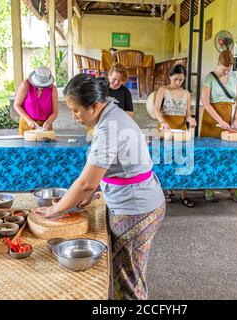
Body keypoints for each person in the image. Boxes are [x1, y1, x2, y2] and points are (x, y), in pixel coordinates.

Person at [35, 74, 166, 300]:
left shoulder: (108, 129)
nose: (75, 116)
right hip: (140, 201)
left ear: (94, 106)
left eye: (76, 110)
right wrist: (96, 191)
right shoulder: (112, 113)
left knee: (129, 282)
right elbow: (119, 167)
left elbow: (86, 182)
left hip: (135, 208)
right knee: (130, 274)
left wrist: (55, 210)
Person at [200, 50, 237, 203]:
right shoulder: (209, 77)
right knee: (210, 155)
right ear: (219, 63)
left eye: (229, 68)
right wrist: (220, 120)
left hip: (229, 116)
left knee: (230, 154)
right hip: (212, 119)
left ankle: (232, 186)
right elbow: (205, 103)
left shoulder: (235, 76)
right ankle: (209, 187)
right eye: (224, 68)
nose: (227, 71)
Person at [154, 64, 197, 207]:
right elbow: (156, 109)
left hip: (181, 129)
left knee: (184, 159)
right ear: (170, 77)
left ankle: (184, 193)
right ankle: (170, 191)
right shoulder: (163, 90)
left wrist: (191, 120)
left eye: (181, 80)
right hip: (166, 129)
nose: (178, 82)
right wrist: (162, 122)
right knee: (168, 158)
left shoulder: (186, 93)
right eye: (176, 79)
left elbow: (188, 115)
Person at [14, 66, 59, 135]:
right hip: (27, 123)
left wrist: (48, 122)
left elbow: (55, 112)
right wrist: (29, 120)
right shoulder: (26, 85)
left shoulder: (53, 89)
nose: (41, 88)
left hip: (45, 126)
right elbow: (17, 105)